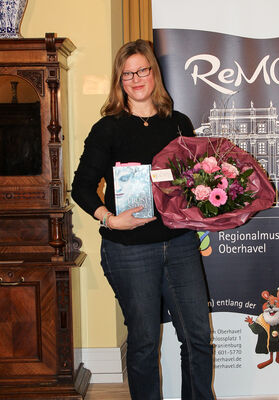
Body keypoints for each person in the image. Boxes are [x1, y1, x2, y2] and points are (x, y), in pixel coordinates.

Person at [71, 39, 215, 400]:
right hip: (129, 251)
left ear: (154, 73)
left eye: (142, 70)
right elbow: (82, 187)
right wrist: (109, 219)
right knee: (144, 343)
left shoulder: (179, 124)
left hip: (180, 245)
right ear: (119, 81)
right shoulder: (108, 129)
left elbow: (194, 182)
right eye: (127, 74)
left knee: (197, 337)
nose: (136, 79)